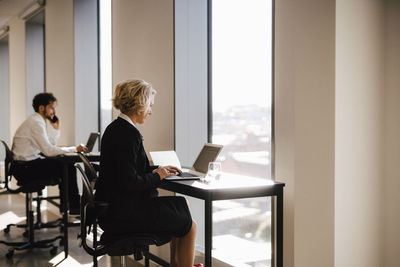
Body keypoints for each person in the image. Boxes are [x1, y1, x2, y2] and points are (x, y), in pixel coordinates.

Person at [95, 79, 201, 267]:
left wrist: (158, 170)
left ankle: (178, 264)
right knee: (190, 226)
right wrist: (158, 176)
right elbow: (129, 181)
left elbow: (127, 170)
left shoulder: (115, 129)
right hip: (125, 213)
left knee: (182, 205)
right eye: (150, 106)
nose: (151, 111)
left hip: (115, 208)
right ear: (139, 105)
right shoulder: (129, 134)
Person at [11, 92, 88, 214]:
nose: (54, 112)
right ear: (42, 108)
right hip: (24, 168)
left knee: (65, 165)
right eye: (51, 108)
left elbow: (48, 147)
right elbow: (49, 151)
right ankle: (72, 207)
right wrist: (75, 148)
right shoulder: (35, 122)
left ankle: (69, 207)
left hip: (24, 166)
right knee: (67, 166)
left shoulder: (36, 120)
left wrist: (56, 129)